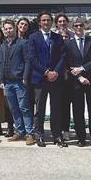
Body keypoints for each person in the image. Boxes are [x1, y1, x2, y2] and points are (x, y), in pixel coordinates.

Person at [27, 12, 66, 147]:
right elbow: (32, 58)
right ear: (39, 22)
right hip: (40, 79)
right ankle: (39, 135)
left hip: (55, 78)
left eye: (48, 20)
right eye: (43, 20)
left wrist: (55, 72)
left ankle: (57, 136)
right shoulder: (33, 37)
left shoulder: (58, 37)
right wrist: (46, 72)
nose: (46, 22)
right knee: (40, 109)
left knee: (56, 109)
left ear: (51, 22)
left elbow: (63, 56)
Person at [65, 18, 91, 147]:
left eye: (81, 25)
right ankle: (81, 137)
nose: (78, 27)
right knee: (78, 110)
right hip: (76, 82)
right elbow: (67, 64)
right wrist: (80, 77)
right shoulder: (68, 44)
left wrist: (82, 69)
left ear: (84, 27)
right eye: (76, 25)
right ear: (73, 28)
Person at [0, 20, 35, 144]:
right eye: (6, 29)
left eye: (10, 28)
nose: (8, 30)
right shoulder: (2, 46)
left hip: (19, 81)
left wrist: (25, 77)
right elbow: (1, 64)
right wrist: (1, 80)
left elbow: (27, 61)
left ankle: (30, 134)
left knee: (24, 108)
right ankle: (19, 132)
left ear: (15, 28)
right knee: (14, 108)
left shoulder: (23, 43)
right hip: (7, 82)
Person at [54, 13, 73, 140]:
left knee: (67, 104)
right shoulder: (53, 36)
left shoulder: (73, 36)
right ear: (56, 23)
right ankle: (57, 130)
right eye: (59, 21)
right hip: (56, 75)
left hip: (71, 75)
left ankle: (66, 129)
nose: (62, 23)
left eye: (64, 21)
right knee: (56, 104)